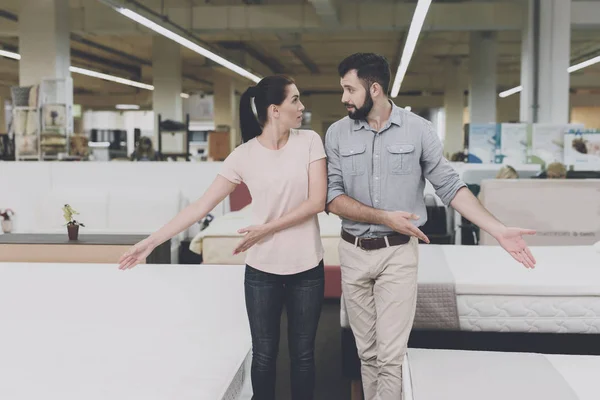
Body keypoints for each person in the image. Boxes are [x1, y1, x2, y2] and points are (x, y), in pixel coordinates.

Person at [324, 53, 537, 399]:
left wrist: (497, 229)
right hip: (352, 251)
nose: (344, 98)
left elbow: (450, 186)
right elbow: (332, 197)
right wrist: (383, 216)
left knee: (390, 356)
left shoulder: (418, 130)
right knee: (368, 354)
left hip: (397, 254)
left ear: (373, 88)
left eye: (350, 89)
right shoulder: (337, 134)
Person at [118, 75, 328, 400]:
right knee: (264, 356)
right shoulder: (243, 155)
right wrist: (151, 241)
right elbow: (201, 206)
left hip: (307, 267)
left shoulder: (310, 141)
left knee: (303, 356)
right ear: (275, 110)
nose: (301, 107)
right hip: (262, 271)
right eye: (295, 100)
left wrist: (266, 229)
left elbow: (316, 202)